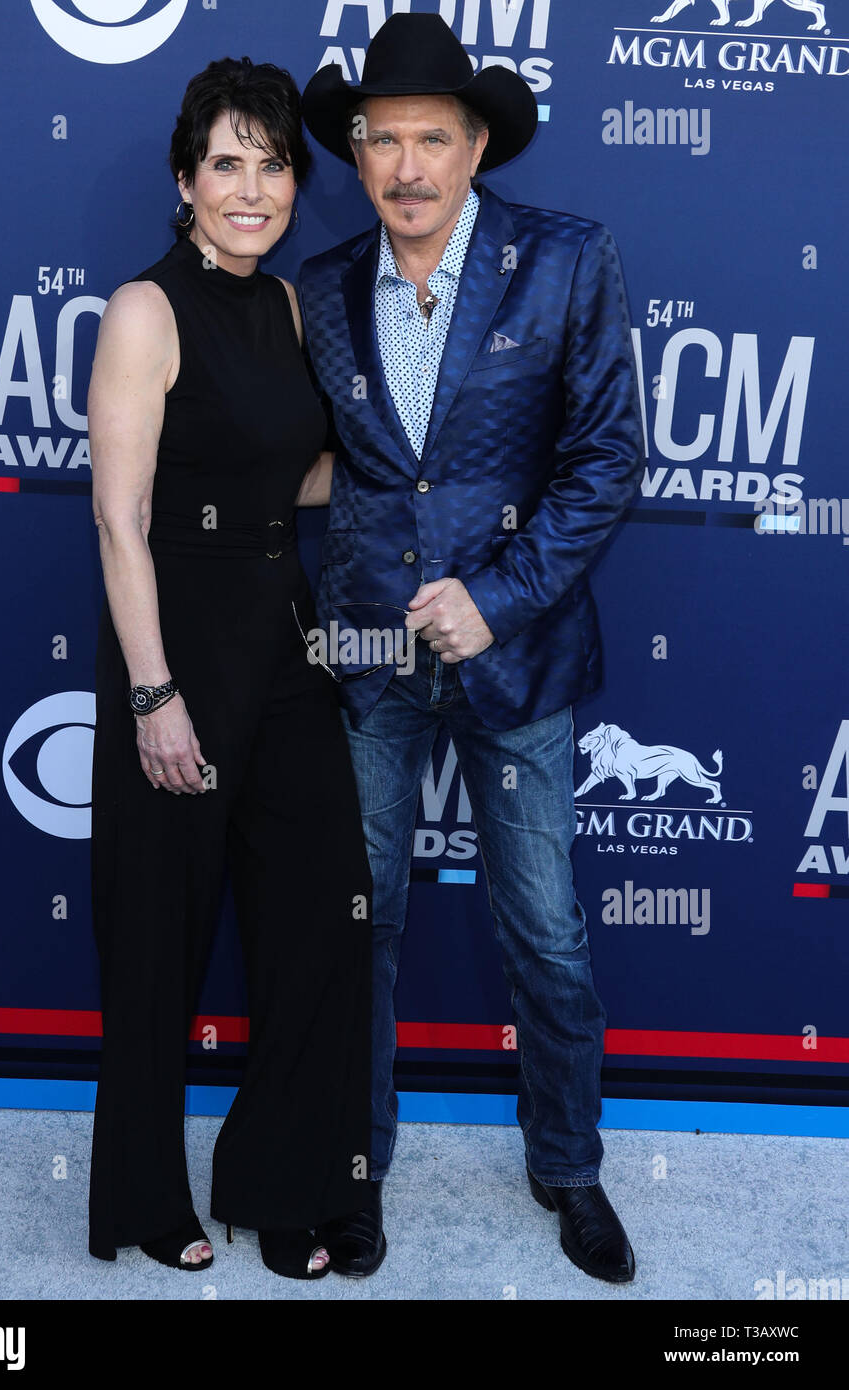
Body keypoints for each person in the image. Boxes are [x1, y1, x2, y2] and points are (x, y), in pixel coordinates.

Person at [297, 13, 644, 1282]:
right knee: (358, 924)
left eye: (431, 138)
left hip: (518, 654)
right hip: (367, 662)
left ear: (477, 142)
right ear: (355, 148)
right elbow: (332, 458)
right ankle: (352, 1171)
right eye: (381, 139)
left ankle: (570, 1166)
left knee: (545, 931)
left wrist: (495, 597)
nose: (406, 166)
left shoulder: (565, 259)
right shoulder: (321, 289)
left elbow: (609, 460)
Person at [86, 56, 372, 1281]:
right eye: (226, 164)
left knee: (318, 917)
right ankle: (149, 1197)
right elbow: (119, 514)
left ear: (296, 185)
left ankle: (283, 1184)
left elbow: (292, 470)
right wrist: (153, 691)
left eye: (272, 165)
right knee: (161, 935)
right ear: (185, 177)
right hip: (179, 635)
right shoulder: (144, 310)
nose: (250, 189)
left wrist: (398, 471)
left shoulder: (295, 307)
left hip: (287, 631)